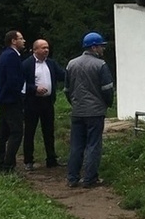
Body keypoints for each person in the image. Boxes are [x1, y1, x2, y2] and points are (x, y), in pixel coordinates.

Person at [64, 31, 114, 188]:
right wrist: (107, 104)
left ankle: (72, 178)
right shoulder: (100, 65)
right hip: (95, 111)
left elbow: (66, 89)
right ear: (94, 47)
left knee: (76, 145)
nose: (103, 49)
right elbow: (107, 89)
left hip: (77, 111)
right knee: (93, 145)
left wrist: (75, 103)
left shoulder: (71, 64)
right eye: (101, 46)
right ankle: (90, 178)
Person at [21, 38, 64, 171]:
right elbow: (21, 84)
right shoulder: (26, 64)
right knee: (30, 131)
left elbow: (62, 75)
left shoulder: (51, 63)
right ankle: (28, 160)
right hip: (32, 102)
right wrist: (34, 89)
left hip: (47, 102)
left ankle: (51, 159)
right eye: (43, 48)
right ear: (35, 50)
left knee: (49, 131)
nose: (46, 50)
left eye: (47, 48)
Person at [0, 30, 26, 173]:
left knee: (3, 132)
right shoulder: (11, 56)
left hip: (3, 98)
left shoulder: (5, 54)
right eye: (21, 39)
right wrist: (20, 96)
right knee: (16, 132)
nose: (24, 41)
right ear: (13, 41)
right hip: (10, 99)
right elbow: (13, 80)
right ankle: (8, 165)